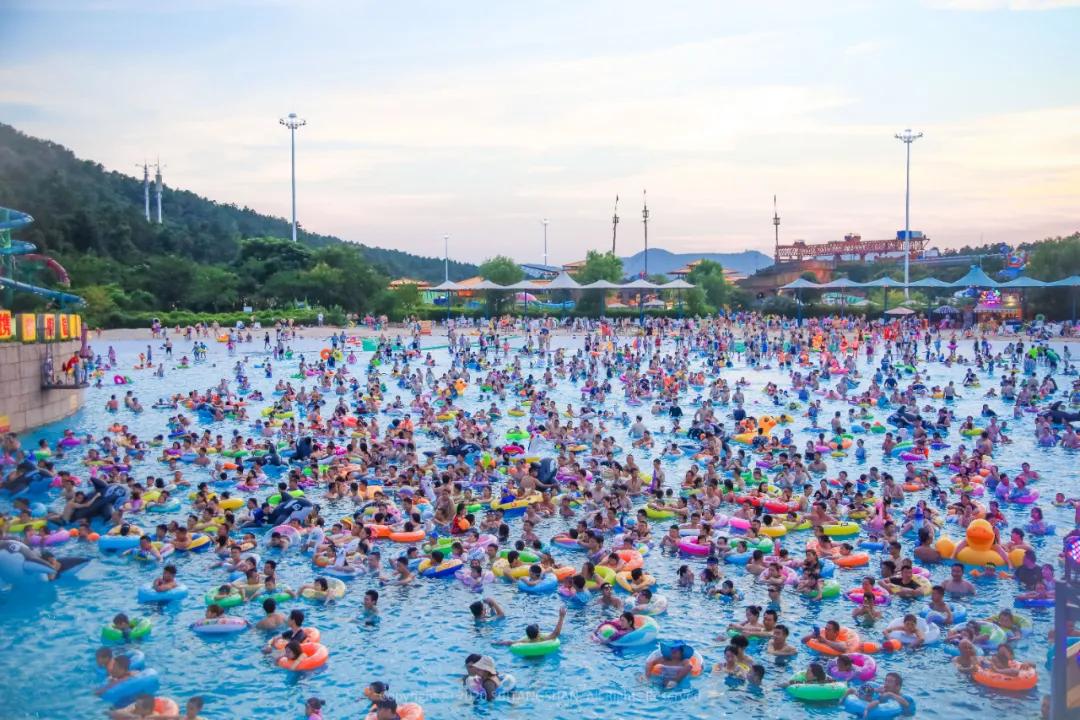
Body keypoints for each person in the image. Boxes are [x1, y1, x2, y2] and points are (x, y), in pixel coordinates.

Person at [494, 606, 566, 646]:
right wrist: (561, 616)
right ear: (538, 633)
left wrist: (497, 643)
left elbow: (509, 642)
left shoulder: (525, 641)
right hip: (541, 653)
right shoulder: (543, 638)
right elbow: (556, 633)